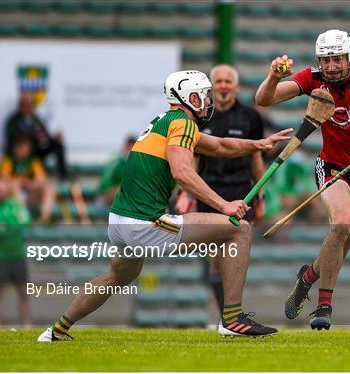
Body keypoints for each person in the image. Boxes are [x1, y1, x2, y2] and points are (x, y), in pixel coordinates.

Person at [37, 70, 292, 342]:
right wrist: (224, 205)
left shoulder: (165, 121)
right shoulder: (182, 123)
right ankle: (232, 319)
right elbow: (183, 172)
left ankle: (57, 331)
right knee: (239, 229)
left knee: (116, 277)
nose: (208, 102)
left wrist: (258, 144)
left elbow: (219, 145)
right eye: (203, 96)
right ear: (187, 97)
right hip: (145, 224)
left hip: (120, 222)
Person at [255, 29, 350, 330]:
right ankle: (324, 307)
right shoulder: (312, 78)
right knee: (339, 225)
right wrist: (274, 77)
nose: (331, 67)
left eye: (338, 59)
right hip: (332, 166)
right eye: (325, 60)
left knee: (339, 248)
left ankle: (307, 278)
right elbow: (264, 100)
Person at [175, 64, 268, 317]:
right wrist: (186, 193)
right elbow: (189, 160)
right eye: (219, 81)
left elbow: (256, 159)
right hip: (210, 192)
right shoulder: (201, 116)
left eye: (229, 81)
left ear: (236, 87)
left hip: (241, 192)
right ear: (212, 88)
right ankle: (227, 315)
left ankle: (230, 315)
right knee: (216, 258)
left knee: (233, 253)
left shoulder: (251, 117)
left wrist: (261, 196)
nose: (224, 85)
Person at [0, 178, 32, 327]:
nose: (1, 192)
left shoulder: (15, 205)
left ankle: (26, 324)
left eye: (3, 189)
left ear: (7, 190)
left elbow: (25, 220)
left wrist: (7, 225)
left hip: (17, 255)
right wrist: (11, 224)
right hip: (0, 257)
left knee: (23, 291)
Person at [5, 92, 67, 180]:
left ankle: (63, 177)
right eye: (24, 104)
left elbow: (44, 135)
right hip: (22, 151)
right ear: (19, 105)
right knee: (26, 145)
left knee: (57, 145)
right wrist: (30, 136)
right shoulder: (13, 120)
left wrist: (53, 138)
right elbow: (13, 137)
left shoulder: (35, 118)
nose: (26, 106)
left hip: (37, 149)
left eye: (28, 104)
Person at [0, 136, 55, 224]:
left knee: (49, 189)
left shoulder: (34, 161)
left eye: (24, 146)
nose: (22, 149)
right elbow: (4, 178)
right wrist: (24, 182)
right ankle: (22, 217)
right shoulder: (8, 161)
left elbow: (41, 179)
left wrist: (27, 183)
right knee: (14, 185)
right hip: (12, 198)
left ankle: (45, 218)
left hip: (30, 195)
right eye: (19, 146)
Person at [97, 136, 137, 207]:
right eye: (129, 147)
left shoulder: (138, 164)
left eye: (132, 147)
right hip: (106, 199)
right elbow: (104, 189)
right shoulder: (117, 163)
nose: (130, 150)